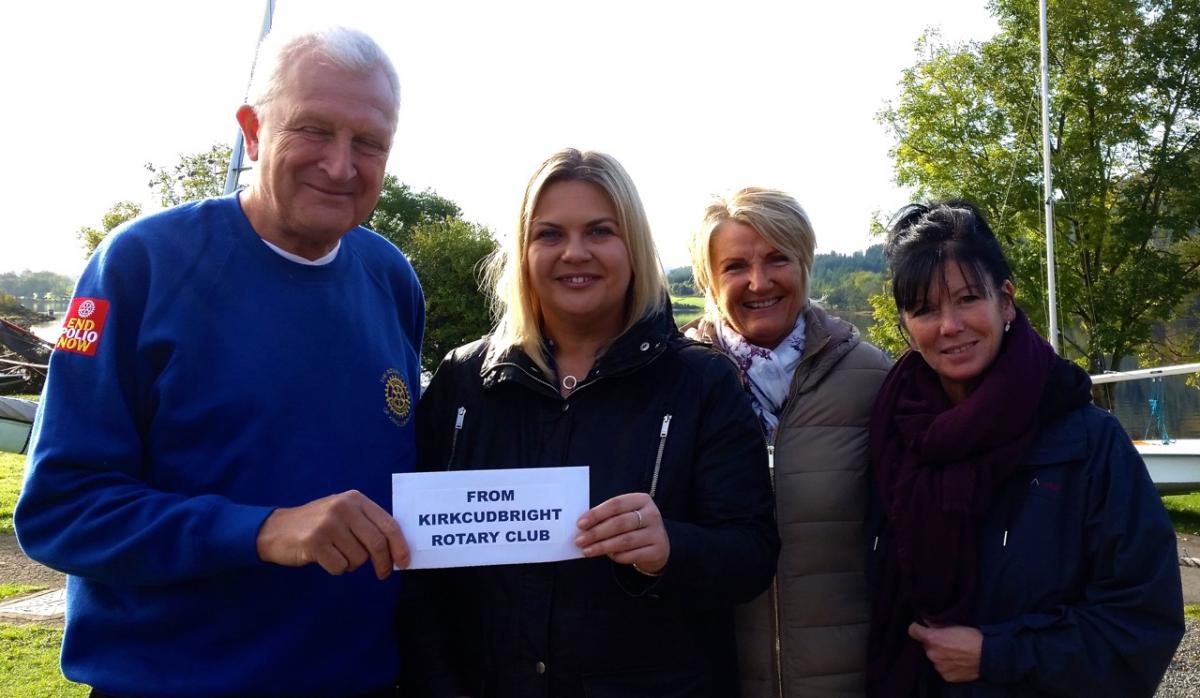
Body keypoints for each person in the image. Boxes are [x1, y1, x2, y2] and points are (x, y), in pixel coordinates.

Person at [15, 27, 421, 698]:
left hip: (365, 681)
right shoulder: (140, 265)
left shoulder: (390, 277)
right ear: (253, 130)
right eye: (314, 130)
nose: (342, 165)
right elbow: (61, 509)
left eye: (369, 142)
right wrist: (262, 530)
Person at [409, 148, 779, 696]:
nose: (574, 253)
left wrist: (671, 548)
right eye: (550, 234)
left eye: (600, 231)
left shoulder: (702, 382)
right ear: (523, 251)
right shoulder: (463, 381)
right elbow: (423, 586)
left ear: (633, 246)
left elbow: (751, 554)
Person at [867, 201, 1183, 697]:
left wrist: (998, 654)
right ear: (905, 325)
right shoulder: (889, 435)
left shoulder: (1087, 443)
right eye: (925, 309)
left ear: (1006, 300)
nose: (949, 326)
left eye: (968, 298)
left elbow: (1142, 623)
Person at [685, 187, 892, 697]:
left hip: (852, 677)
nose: (759, 282)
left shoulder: (872, 375)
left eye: (778, 258)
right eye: (735, 266)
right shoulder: (675, 382)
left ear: (805, 263)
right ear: (707, 281)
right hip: (712, 677)